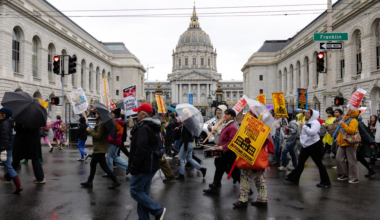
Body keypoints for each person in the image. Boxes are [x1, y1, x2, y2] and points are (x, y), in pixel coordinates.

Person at [129, 103, 166, 220]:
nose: (136, 115)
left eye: (138, 112)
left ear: (143, 114)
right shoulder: (151, 126)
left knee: (135, 191)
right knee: (143, 194)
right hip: (150, 164)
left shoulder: (144, 127)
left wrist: (134, 165)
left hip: (144, 165)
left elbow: (141, 149)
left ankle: (158, 210)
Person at [286, 109, 331, 187]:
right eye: (306, 113)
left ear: (312, 115)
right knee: (301, 161)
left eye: (308, 113)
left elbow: (312, 132)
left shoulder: (316, 123)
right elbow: (305, 133)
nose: (306, 114)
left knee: (319, 163)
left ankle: (326, 182)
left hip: (315, 145)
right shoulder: (308, 122)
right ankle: (294, 178)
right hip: (306, 145)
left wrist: (304, 127)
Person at [81, 111, 121, 189]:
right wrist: (91, 130)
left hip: (100, 148)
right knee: (93, 164)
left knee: (104, 166)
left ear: (100, 115)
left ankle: (115, 180)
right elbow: (97, 133)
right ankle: (89, 181)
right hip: (98, 148)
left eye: (96, 113)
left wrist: (89, 130)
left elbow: (98, 136)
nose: (95, 115)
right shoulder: (99, 124)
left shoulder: (102, 125)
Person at [203, 109, 240, 194]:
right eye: (225, 114)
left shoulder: (232, 127)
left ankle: (248, 189)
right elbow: (224, 138)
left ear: (232, 117)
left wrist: (223, 147)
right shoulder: (227, 124)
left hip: (229, 152)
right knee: (219, 168)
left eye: (227, 115)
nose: (224, 116)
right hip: (225, 152)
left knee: (235, 172)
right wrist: (218, 144)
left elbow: (232, 141)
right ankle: (215, 186)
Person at [175, 108, 207, 181]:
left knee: (181, 159)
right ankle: (201, 169)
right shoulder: (191, 121)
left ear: (185, 114)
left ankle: (181, 175)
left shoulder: (186, 123)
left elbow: (185, 135)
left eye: (182, 113)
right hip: (191, 143)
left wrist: (185, 146)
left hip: (187, 143)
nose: (181, 115)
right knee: (189, 158)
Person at [0, 108, 23, 193]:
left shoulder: (5, 124)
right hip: (6, 148)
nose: (0, 114)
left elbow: (5, 138)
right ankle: (18, 186)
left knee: (9, 167)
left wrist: (3, 151)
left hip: (3, 149)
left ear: (7, 115)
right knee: (8, 166)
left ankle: (18, 186)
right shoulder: (5, 122)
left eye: (2, 113)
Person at [335, 109, 360, 184]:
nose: (347, 111)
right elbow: (341, 132)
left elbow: (351, 131)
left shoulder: (354, 120)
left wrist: (343, 124)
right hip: (343, 142)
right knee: (338, 158)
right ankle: (344, 174)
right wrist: (339, 140)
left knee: (351, 160)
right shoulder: (345, 119)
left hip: (351, 142)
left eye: (349, 110)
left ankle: (354, 177)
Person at [104, 108, 129, 176]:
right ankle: (127, 167)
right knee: (114, 156)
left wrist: (109, 138)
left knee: (109, 157)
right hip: (117, 141)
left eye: (113, 113)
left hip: (113, 141)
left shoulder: (117, 122)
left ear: (116, 115)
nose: (111, 114)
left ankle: (109, 172)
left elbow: (116, 133)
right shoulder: (118, 121)